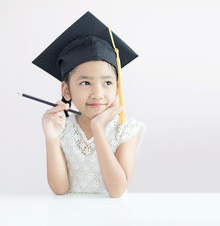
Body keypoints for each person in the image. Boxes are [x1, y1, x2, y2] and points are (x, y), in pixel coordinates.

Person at [32, 11, 146, 198]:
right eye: (85, 83)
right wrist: (51, 139)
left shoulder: (125, 130)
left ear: (118, 87)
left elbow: (117, 190)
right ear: (66, 90)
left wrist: (98, 129)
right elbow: (59, 189)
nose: (97, 94)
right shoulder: (62, 128)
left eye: (107, 83)